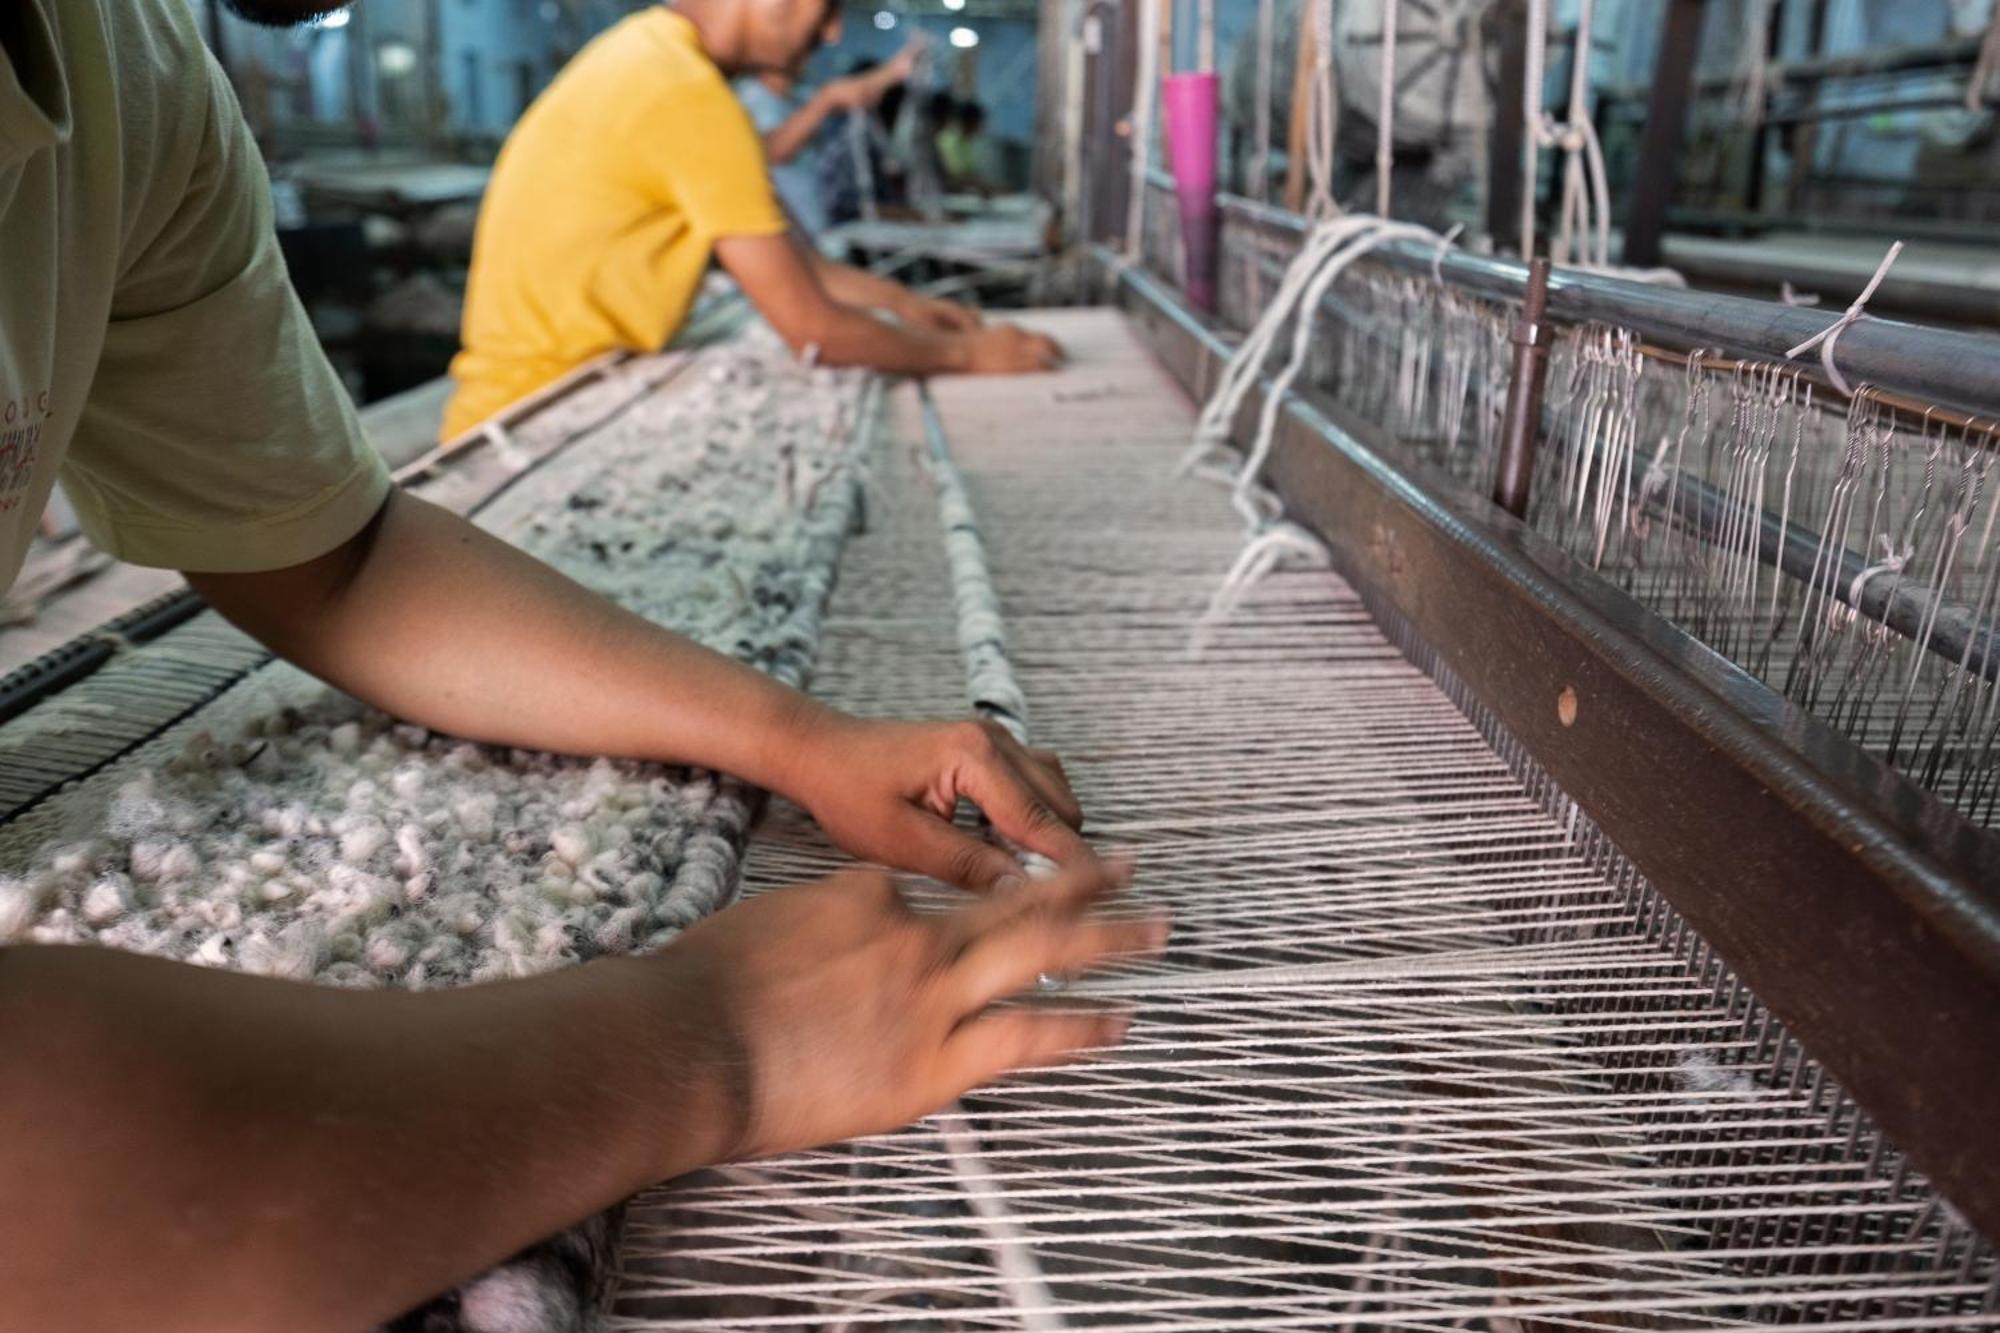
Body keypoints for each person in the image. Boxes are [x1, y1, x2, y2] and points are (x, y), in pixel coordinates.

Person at [0, 2, 1163, 1328]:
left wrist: (798, 742)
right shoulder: (668, 86)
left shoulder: (124, 72)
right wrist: (702, 1043)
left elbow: (336, 563)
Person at [441, 0, 1062, 440]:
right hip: (530, 424)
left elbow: (802, 266)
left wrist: (902, 303)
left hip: (544, 397)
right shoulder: (684, 93)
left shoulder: (650, 58)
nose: (831, 34)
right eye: (824, 9)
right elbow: (813, 330)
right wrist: (968, 354)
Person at [737, 42, 919, 235]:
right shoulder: (752, 98)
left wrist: (893, 72)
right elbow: (775, 151)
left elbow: (854, 93)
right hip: (780, 236)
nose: (807, 59)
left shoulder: (799, 97)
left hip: (814, 231)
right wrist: (827, 99)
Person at [937, 99, 999, 194]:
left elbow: (971, 172)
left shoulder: (967, 141)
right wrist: (981, 184)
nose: (980, 127)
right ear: (970, 122)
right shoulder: (949, 140)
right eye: (978, 122)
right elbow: (954, 177)